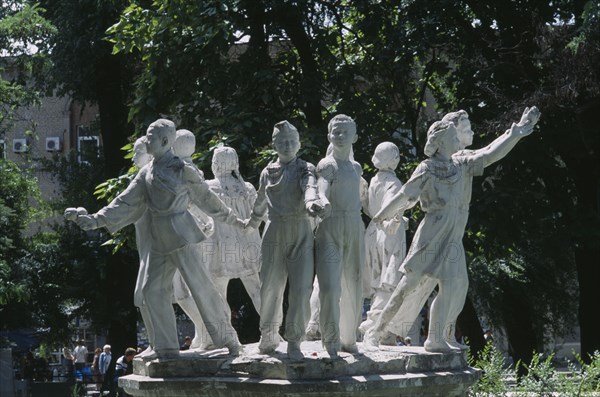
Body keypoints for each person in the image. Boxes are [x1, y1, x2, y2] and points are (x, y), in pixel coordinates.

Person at [364, 106, 540, 352]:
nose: (458, 139)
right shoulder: (427, 167)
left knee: (456, 286)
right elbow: (405, 195)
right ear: (440, 141)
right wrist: (382, 215)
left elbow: (489, 153)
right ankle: (376, 331)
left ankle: (438, 337)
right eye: (452, 136)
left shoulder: (462, 165)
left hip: (453, 237)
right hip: (432, 235)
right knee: (409, 284)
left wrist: (515, 134)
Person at [66, 119, 244, 359]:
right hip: (158, 240)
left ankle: (229, 339)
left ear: (163, 141)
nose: (146, 141)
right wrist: (95, 219)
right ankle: (166, 347)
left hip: (180, 234)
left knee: (201, 288)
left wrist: (234, 220)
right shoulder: (146, 171)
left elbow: (207, 199)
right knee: (151, 291)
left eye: (150, 137)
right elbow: (125, 201)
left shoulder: (182, 169)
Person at [246, 120, 321, 360]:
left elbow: (310, 186)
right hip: (274, 230)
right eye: (282, 142)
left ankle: (294, 339)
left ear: (298, 144)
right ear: (274, 144)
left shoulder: (305, 168)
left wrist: (311, 202)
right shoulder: (267, 171)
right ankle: (268, 333)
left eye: (292, 141)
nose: (287, 145)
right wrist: (251, 223)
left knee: (301, 289)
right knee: (270, 286)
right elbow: (260, 201)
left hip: (300, 229)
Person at [313, 114, 365, 357]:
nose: (340, 136)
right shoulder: (327, 164)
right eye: (336, 131)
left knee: (353, 284)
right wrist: (322, 200)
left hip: (354, 226)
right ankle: (331, 338)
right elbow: (322, 186)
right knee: (330, 287)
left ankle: (348, 337)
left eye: (345, 132)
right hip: (331, 225)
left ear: (355, 136)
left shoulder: (356, 168)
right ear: (329, 136)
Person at [359, 142, 408, 345]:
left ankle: (379, 323)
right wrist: (398, 219)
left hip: (372, 231)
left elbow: (368, 207)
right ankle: (377, 323)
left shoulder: (374, 181)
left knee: (380, 277)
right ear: (392, 160)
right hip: (389, 232)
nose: (398, 159)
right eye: (396, 156)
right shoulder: (393, 183)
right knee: (389, 279)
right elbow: (390, 204)